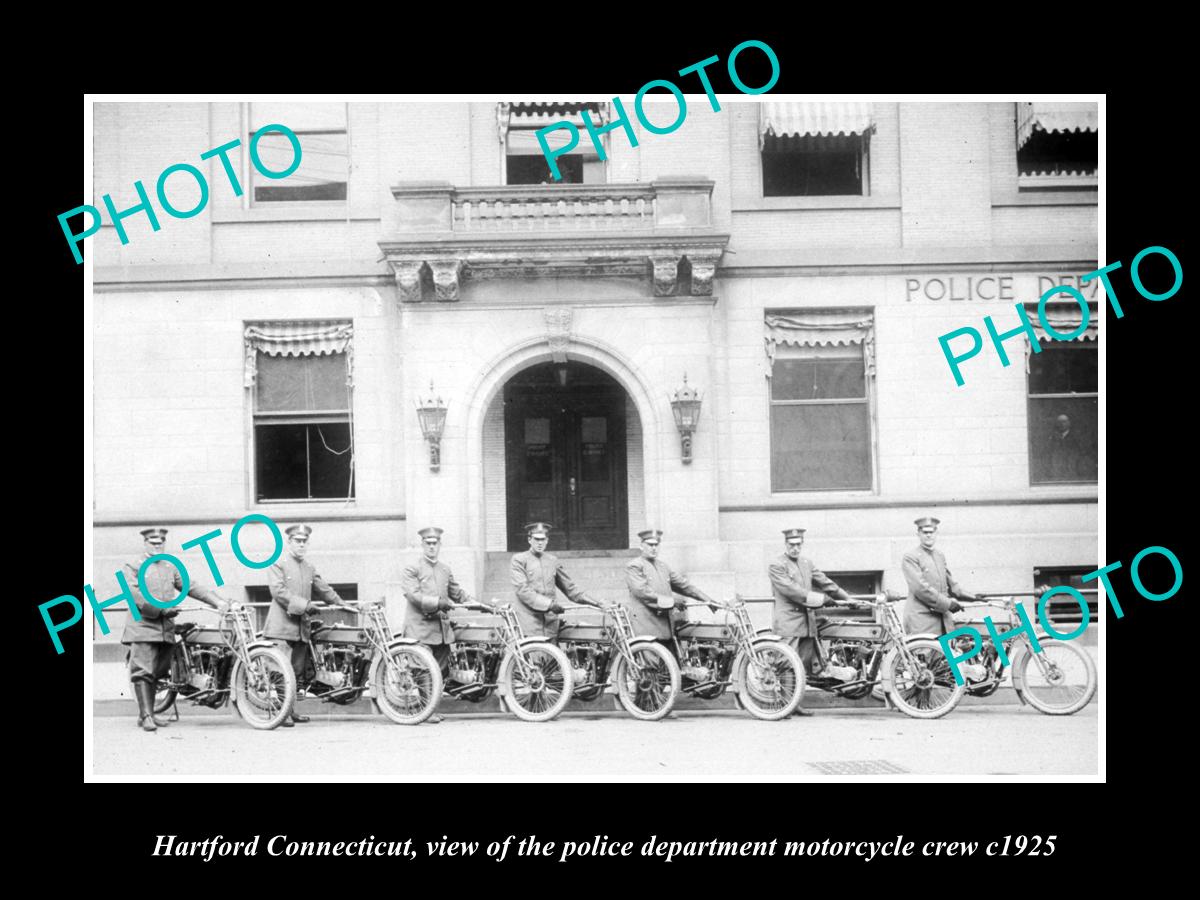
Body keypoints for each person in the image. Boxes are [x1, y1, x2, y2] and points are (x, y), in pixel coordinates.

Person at [120, 527, 228, 732]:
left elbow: (190, 586)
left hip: (165, 628)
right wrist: (162, 610)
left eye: (160, 542)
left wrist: (217, 602)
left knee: (159, 672)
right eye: (152, 542)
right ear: (145, 543)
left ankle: (149, 714)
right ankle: (146, 716)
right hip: (142, 626)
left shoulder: (170, 566)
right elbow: (134, 595)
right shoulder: (132, 566)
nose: (157, 545)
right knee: (143, 671)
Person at [768, 528, 855, 716]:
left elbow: (825, 582)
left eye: (798, 544)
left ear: (802, 544)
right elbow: (792, 590)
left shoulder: (806, 563)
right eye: (791, 544)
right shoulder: (777, 564)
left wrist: (847, 598)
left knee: (803, 664)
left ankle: (795, 703)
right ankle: (784, 704)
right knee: (786, 663)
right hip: (789, 621)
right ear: (785, 544)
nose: (795, 548)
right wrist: (821, 599)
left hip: (807, 621)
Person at [265, 524, 343, 726]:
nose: (301, 544)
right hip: (281, 627)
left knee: (296, 672)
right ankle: (282, 713)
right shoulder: (277, 563)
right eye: (297, 541)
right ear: (289, 542)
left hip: (301, 628)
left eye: (304, 541)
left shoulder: (308, 567)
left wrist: (341, 603)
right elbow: (278, 592)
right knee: (282, 671)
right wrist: (305, 605)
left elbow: (322, 588)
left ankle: (290, 710)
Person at [401, 526, 476, 724]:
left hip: (441, 630)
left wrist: (474, 603)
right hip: (420, 628)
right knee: (423, 669)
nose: (432, 547)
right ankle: (425, 711)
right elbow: (413, 595)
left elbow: (456, 592)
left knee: (440, 670)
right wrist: (437, 603)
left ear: (440, 544)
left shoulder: (444, 569)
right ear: (422, 544)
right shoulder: (413, 568)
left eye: (435, 543)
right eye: (428, 543)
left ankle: (431, 708)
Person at [901, 516, 985, 682]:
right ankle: (915, 705)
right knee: (924, 667)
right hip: (921, 618)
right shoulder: (911, 557)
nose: (928, 536)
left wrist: (973, 597)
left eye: (931, 532)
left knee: (939, 665)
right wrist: (948, 604)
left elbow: (951, 584)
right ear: (918, 533)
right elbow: (920, 588)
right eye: (925, 532)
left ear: (936, 533)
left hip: (941, 619)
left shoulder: (939, 555)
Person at [624, 528, 717, 650]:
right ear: (641, 546)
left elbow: (684, 586)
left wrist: (706, 599)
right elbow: (643, 592)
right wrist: (672, 601)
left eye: (656, 545)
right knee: (652, 667)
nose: (654, 548)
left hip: (665, 625)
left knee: (673, 664)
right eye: (650, 545)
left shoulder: (663, 566)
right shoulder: (635, 566)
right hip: (646, 625)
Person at [509, 522, 598, 639]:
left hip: (550, 623)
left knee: (554, 656)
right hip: (529, 622)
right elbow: (522, 590)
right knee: (532, 654)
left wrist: (597, 602)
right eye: (536, 539)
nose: (540, 543)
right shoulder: (519, 560)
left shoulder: (552, 561)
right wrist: (549, 604)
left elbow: (571, 589)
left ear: (547, 540)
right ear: (529, 539)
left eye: (543, 539)